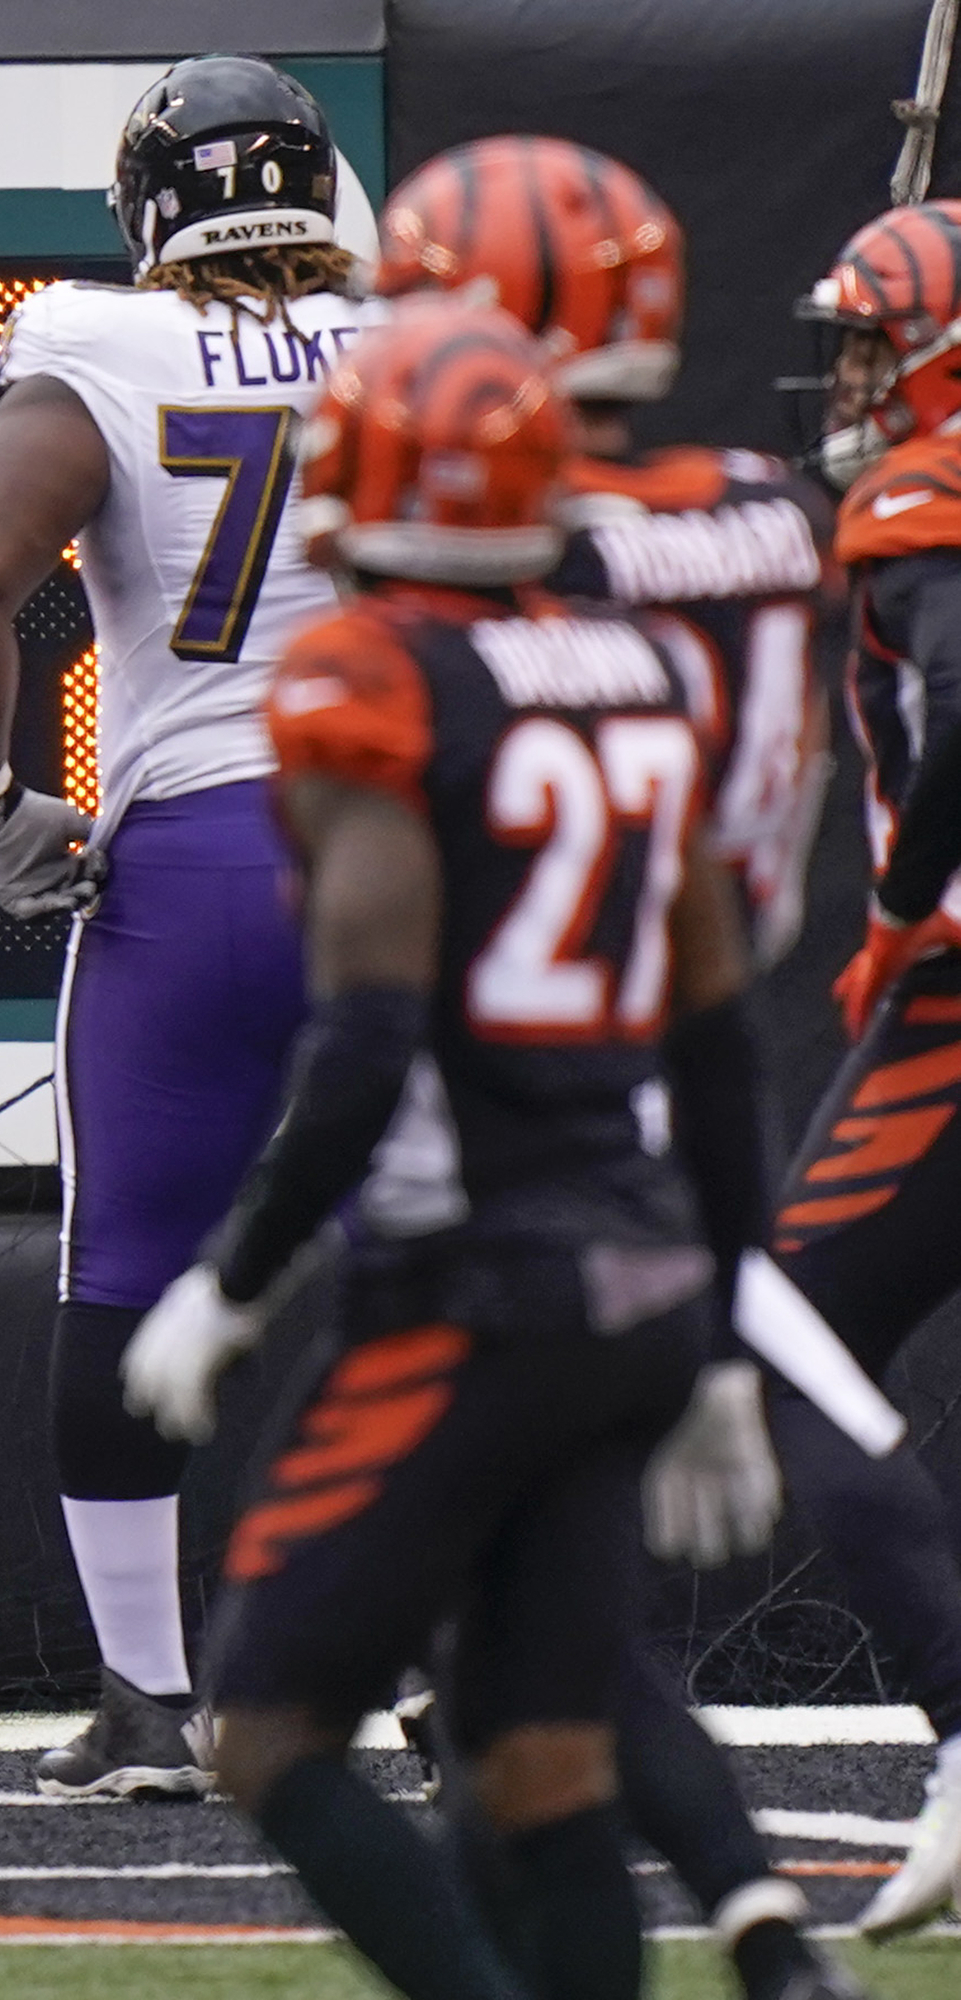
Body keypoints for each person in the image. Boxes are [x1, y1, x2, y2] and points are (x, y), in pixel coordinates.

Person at [119, 299, 781, 2000]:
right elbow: (716, 1038)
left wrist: (235, 1276)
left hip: (471, 1287)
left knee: (263, 1725)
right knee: (542, 1756)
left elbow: (369, 1037)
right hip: (639, 1269)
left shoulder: (373, 672)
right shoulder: (642, 664)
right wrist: (722, 1328)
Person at [374, 138, 869, 2000]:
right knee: (547, 1552)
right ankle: (733, 1913)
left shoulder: (533, 540)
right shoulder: (765, 502)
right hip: (709, 1002)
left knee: (504, 1547)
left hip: (551, 1054)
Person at [0, 52, 390, 1798]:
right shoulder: (424, 345)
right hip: (408, 842)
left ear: (151, 211)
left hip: (194, 861)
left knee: (123, 1273)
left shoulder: (100, 343)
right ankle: (453, 1671)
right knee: (447, 1266)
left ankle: (144, 1703)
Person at [747, 195, 961, 1940]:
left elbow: (957, 704)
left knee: (795, 1334)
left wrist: (895, 906)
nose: (857, 373)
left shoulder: (918, 495)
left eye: (878, 336)